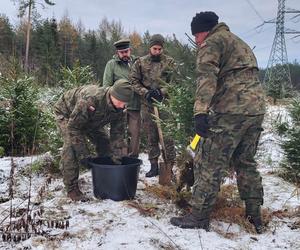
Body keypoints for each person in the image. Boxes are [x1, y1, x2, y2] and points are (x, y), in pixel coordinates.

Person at [170, 12, 266, 233]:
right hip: (256, 110)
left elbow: (206, 77)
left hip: (230, 111)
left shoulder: (212, 42)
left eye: (196, 36)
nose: (196, 41)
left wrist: (200, 112)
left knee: (209, 163)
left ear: (203, 31)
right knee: (246, 162)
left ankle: (199, 216)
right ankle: (255, 216)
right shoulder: (238, 42)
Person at [54, 79, 133, 201]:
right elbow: (74, 128)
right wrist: (83, 155)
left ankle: (106, 176)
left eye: (125, 103)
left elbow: (117, 135)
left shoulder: (120, 109)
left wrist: (117, 162)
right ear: (112, 95)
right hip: (67, 115)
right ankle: (71, 188)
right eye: (121, 102)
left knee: (104, 143)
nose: (122, 106)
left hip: (91, 121)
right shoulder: (90, 99)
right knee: (71, 147)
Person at [130, 34, 176, 178]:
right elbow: (133, 81)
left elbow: (175, 82)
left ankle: (169, 166)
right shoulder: (140, 62)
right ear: (150, 47)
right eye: (155, 48)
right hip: (147, 104)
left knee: (167, 136)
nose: (157, 51)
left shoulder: (169, 62)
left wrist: (162, 92)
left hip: (165, 105)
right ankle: (154, 165)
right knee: (151, 135)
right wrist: (146, 92)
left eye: (160, 49)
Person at [103, 39, 141, 158]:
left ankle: (133, 160)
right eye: (122, 52)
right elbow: (106, 86)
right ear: (117, 52)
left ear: (130, 50)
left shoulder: (137, 62)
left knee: (135, 134)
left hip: (135, 106)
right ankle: (120, 160)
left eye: (126, 51)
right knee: (119, 134)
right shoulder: (111, 65)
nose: (124, 54)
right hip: (118, 107)